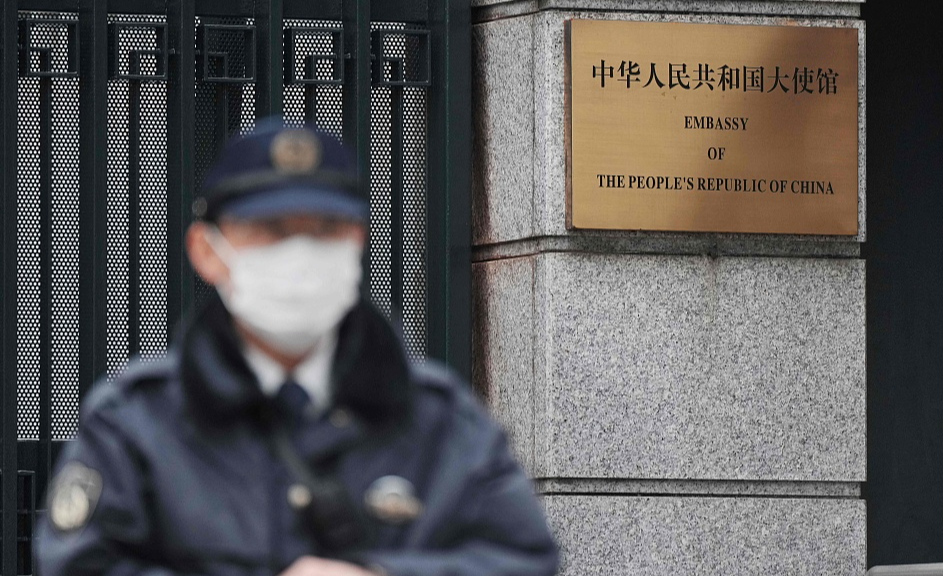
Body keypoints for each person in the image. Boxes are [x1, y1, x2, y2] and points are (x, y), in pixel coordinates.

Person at [35, 120, 559, 576]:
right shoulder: (137, 421)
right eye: (271, 229)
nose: (302, 252)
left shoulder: (437, 416)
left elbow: (525, 559)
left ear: (357, 242)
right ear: (206, 251)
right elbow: (77, 564)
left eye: (327, 229)